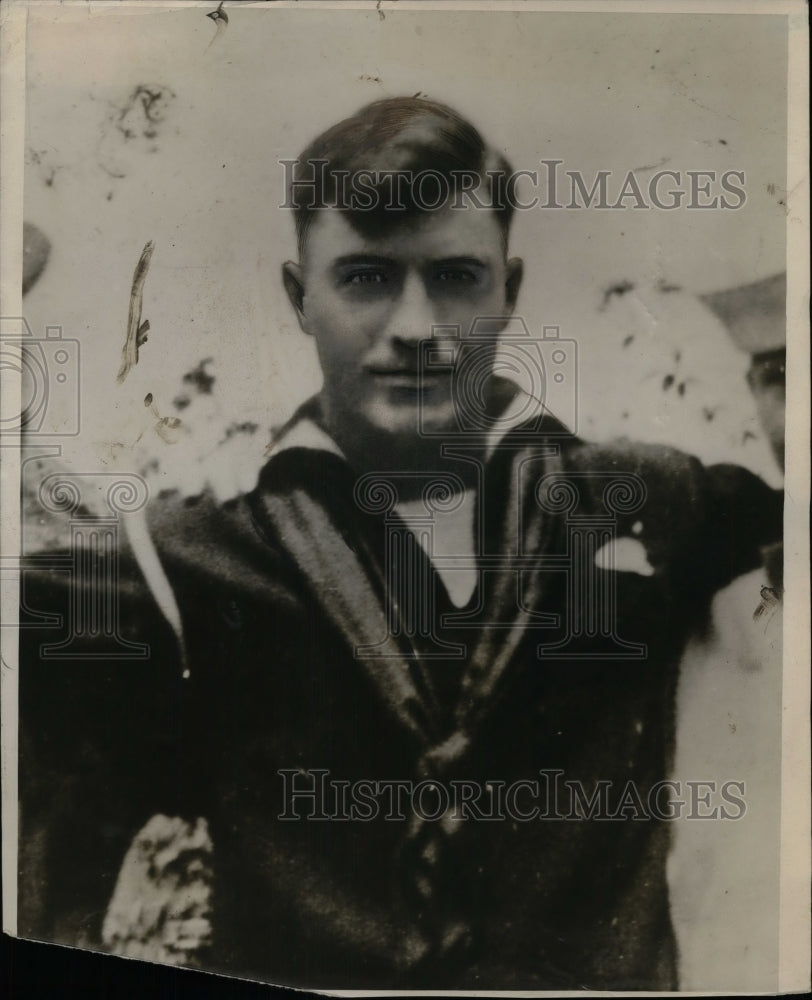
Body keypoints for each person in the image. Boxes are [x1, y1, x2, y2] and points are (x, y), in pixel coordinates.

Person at [18, 97, 782, 990]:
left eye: (457, 276)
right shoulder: (186, 564)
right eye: (366, 278)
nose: (416, 328)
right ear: (299, 299)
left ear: (511, 290)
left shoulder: (643, 503)